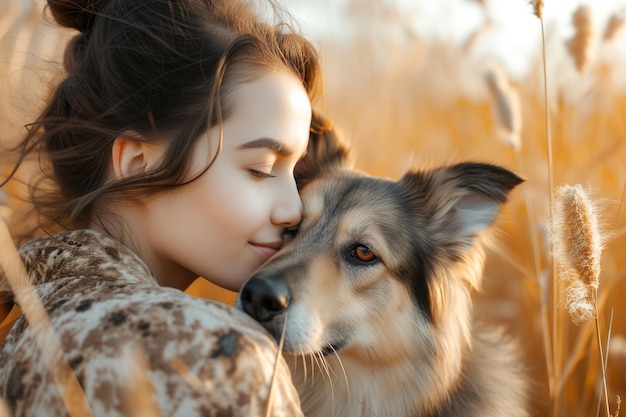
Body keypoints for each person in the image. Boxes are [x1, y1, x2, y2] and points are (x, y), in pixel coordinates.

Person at [0, 0, 329, 415]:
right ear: (137, 165)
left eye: (294, 174)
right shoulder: (215, 354)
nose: (294, 211)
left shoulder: (20, 327)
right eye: (261, 169)